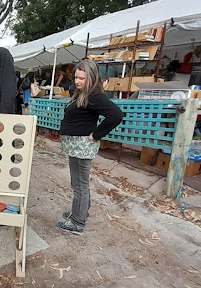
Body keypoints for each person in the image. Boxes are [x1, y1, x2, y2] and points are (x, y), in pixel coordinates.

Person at [57, 60, 123, 235]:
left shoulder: (94, 97)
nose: (77, 81)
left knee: (80, 185)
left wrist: (96, 134)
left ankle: (77, 222)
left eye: (82, 78)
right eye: (76, 77)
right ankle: (80, 212)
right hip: (76, 146)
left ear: (91, 78)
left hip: (82, 147)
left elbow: (116, 115)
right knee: (79, 184)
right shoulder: (83, 94)